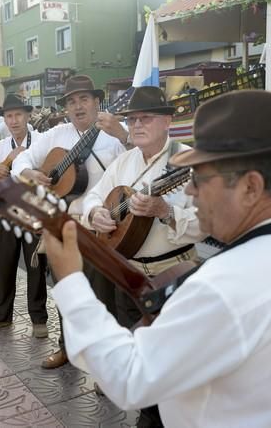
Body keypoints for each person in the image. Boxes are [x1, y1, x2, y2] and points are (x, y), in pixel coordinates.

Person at [44, 90, 271, 427]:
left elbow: (130, 378)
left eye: (200, 178)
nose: (191, 190)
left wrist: (71, 283)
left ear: (251, 187)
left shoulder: (224, 287)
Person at [82, 86, 205, 427]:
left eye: (145, 118)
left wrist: (166, 211)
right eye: (132, 119)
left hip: (173, 273)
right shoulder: (123, 161)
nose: (136, 125)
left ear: (168, 120)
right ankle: (149, 414)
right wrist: (95, 215)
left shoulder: (189, 161)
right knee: (137, 348)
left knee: (174, 356)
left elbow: (207, 225)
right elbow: (92, 197)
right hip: (128, 272)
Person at [12, 74, 128, 369]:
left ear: (97, 102)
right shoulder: (56, 135)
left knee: (103, 297)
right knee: (66, 291)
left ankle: (107, 362)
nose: (78, 107)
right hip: (63, 224)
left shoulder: (115, 133)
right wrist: (30, 174)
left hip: (101, 226)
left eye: (84, 99)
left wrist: (123, 137)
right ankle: (67, 348)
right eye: (72, 101)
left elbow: (139, 162)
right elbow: (20, 161)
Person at [0, 94, 48, 338]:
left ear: (28, 115)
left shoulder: (43, 142)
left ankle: (38, 318)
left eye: (18, 115)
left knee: (36, 267)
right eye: (9, 116)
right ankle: (2, 316)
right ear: (4, 119)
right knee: (3, 264)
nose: (14, 121)